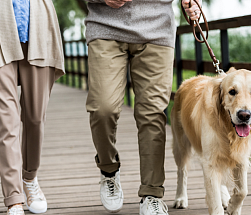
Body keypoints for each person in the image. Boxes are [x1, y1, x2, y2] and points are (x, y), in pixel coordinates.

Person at [83, 0, 201, 214]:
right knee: (102, 108)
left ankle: (152, 193)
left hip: (157, 29)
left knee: (152, 114)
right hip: (105, 26)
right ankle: (109, 170)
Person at [0, 0, 64, 214]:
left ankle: (29, 177)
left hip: (39, 30)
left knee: (35, 118)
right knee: (7, 122)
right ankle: (14, 198)